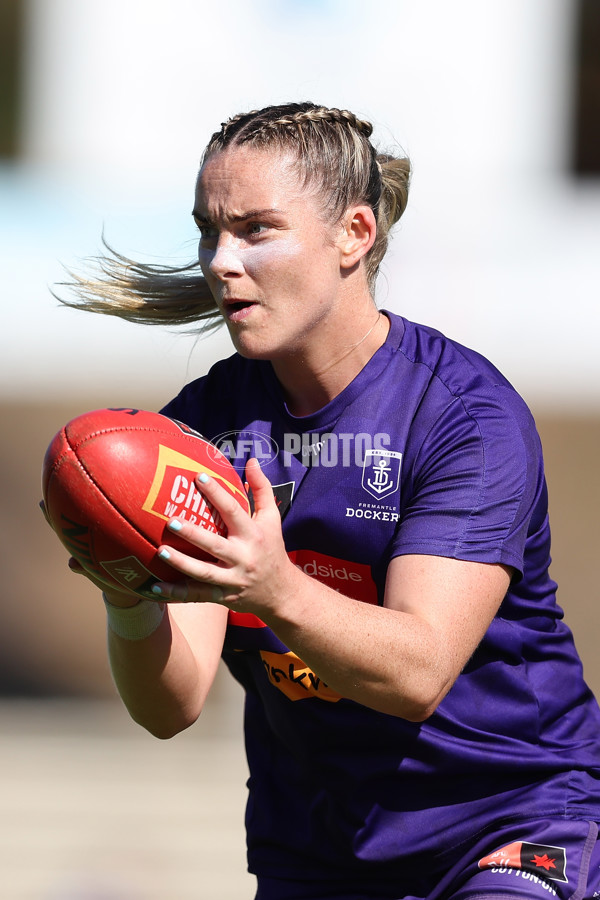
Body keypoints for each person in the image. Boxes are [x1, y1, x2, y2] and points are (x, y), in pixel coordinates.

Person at [53, 102, 600, 900]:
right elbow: (171, 708)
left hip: (505, 820)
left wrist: (273, 588)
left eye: (256, 230)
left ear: (354, 234)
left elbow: (420, 672)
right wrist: (128, 596)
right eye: (209, 232)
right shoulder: (203, 430)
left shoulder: (463, 417)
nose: (221, 262)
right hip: (319, 847)